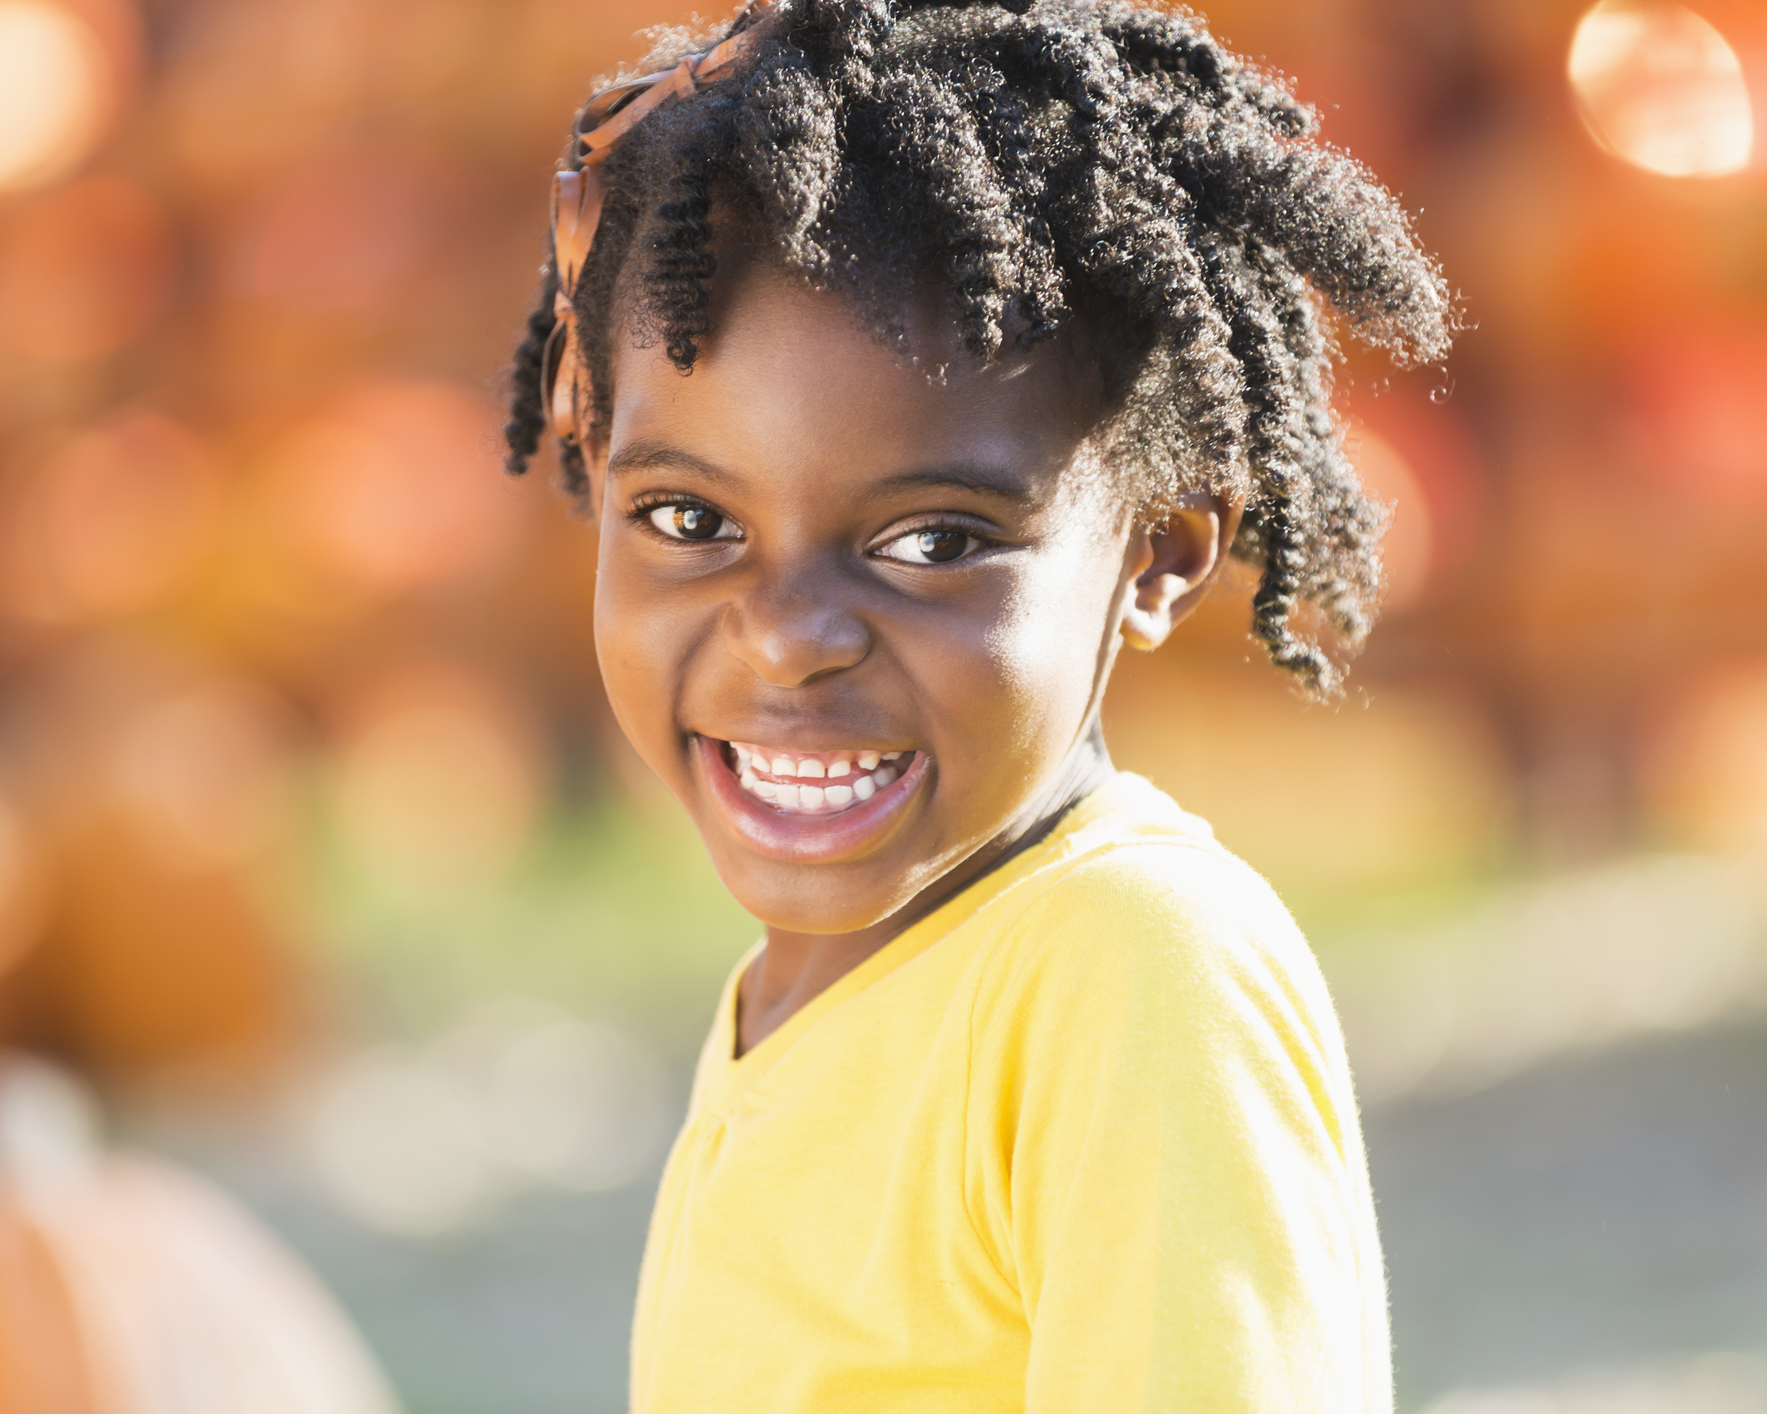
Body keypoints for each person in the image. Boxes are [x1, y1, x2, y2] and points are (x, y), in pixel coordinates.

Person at [501, 2, 1450, 1409]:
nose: (785, 637)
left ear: (1161, 550)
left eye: (934, 541)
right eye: (691, 515)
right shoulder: (810, 991)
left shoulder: (1128, 966)